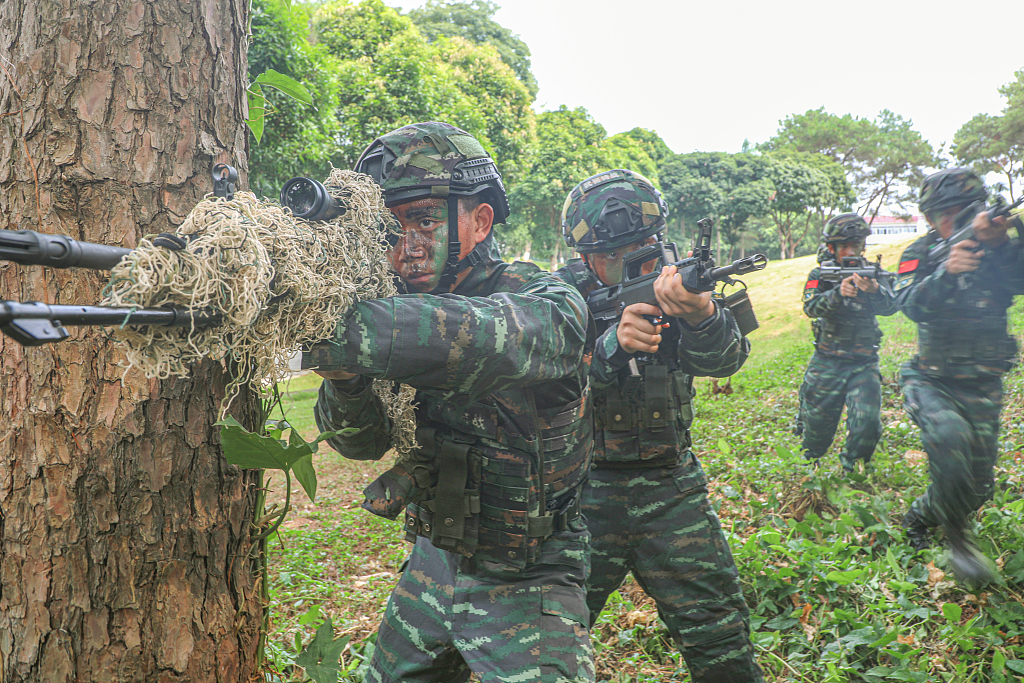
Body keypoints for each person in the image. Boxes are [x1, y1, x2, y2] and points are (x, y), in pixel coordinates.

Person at [303, 122, 596, 682]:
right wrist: (345, 377)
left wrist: (358, 333)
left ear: (480, 221)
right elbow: (360, 444)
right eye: (389, 229)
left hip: (528, 575)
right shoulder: (390, 310)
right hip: (431, 565)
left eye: (424, 221)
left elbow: (503, 336)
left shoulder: (541, 295)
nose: (405, 247)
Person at [555, 169, 764, 682]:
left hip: (672, 487)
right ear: (585, 258)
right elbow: (539, 385)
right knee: (552, 642)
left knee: (720, 637)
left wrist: (702, 317)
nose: (637, 265)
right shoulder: (557, 298)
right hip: (583, 492)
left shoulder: (681, 281)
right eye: (614, 257)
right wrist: (608, 349)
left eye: (645, 249)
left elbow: (727, 360)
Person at [896, 168, 1024, 589]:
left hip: (983, 382)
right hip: (932, 378)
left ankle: (920, 514)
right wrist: (945, 273)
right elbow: (909, 304)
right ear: (930, 219)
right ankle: (958, 542)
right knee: (949, 436)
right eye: (944, 214)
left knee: (977, 488)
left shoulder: (999, 250)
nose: (955, 220)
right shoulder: (920, 252)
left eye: (964, 210)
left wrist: (1000, 246)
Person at [795, 213, 898, 471]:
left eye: (857, 245)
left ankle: (855, 472)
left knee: (867, 423)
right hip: (827, 360)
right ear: (832, 248)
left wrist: (874, 291)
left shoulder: (872, 274)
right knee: (815, 428)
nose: (852, 251)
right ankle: (809, 469)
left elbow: (891, 306)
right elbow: (810, 307)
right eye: (845, 246)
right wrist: (836, 294)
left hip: (863, 362)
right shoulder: (820, 274)